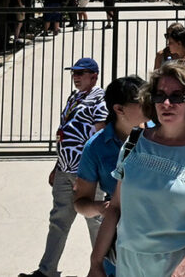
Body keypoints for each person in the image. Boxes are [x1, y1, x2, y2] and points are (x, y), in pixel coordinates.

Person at [89, 64, 185, 277]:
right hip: (129, 267)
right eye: (160, 96)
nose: (167, 104)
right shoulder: (134, 143)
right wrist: (96, 263)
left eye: (177, 96)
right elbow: (115, 208)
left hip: (177, 271)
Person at [21, 58, 108, 277]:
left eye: (81, 73)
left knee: (95, 222)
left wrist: (92, 170)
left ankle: (104, 270)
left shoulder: (99, 99)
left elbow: (99, 136)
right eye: (74, 73)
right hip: (65, 168)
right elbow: (65, 134)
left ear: (94, 76)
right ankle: (46, 270)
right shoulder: (74, 97)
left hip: (86, 172)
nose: (76, 77)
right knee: (58, 219)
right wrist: (57, 165)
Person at [73, 76, 147, 274]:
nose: (149, 104)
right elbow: (81, 203)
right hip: (119, 234)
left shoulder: (160, 135)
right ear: (119, 109)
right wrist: (102, 208)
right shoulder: (95, 148)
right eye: (140, 101)